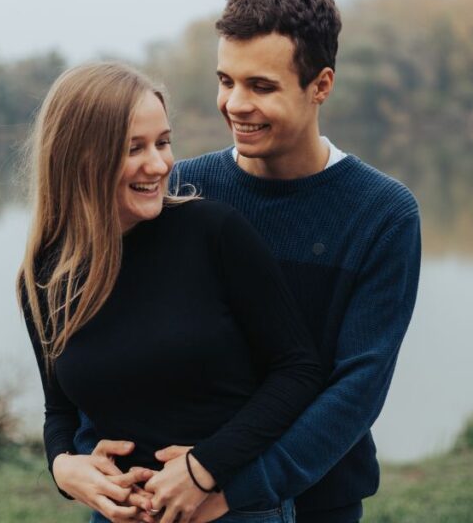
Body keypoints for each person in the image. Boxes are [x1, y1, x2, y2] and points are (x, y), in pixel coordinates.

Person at [79, 0, 422, 523]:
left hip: (317, 500)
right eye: (225, 81)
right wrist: (80, 452)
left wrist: (233, 486)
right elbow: (112, 337)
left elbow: (357, 387)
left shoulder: (382, 213)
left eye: (261, 86)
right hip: (164, 496)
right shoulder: (178, 192)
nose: (235, 104)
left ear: (321, 85)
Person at [18, 61, 321, 523]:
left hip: (233, 512)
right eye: (133, 148)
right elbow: (59, 408)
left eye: (163, 142)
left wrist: (205, 468)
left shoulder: (212, 233)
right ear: (78, 157)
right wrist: (63, 466)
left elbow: (298, 370)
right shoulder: (44, 278)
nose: (159, 164)